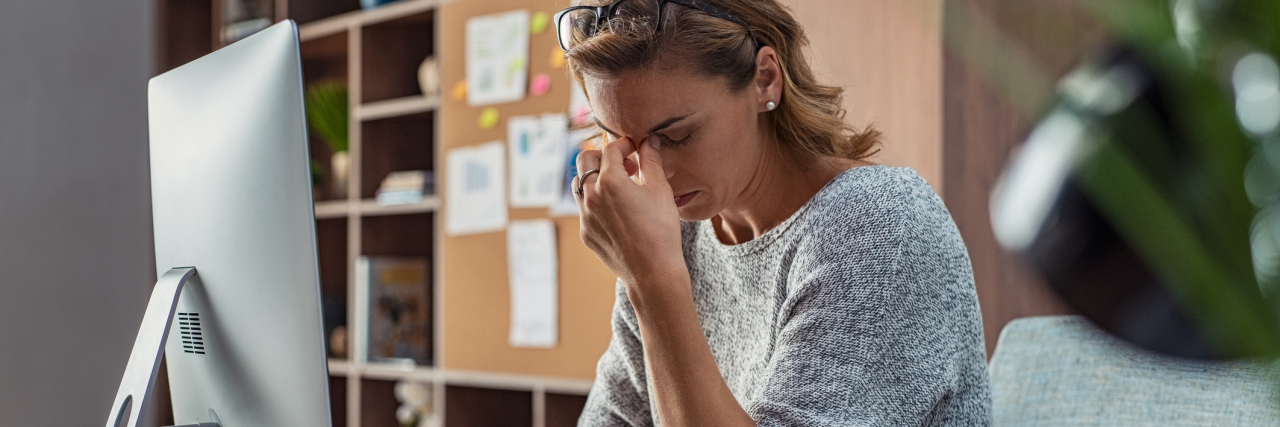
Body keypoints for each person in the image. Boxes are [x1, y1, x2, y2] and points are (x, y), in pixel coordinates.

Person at [558, 0, 990, 425]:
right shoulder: (678, 240)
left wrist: (653, 283)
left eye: (677, 135)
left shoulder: (879, 226)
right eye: (620, 140)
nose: (653, 173)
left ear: (764, 79)